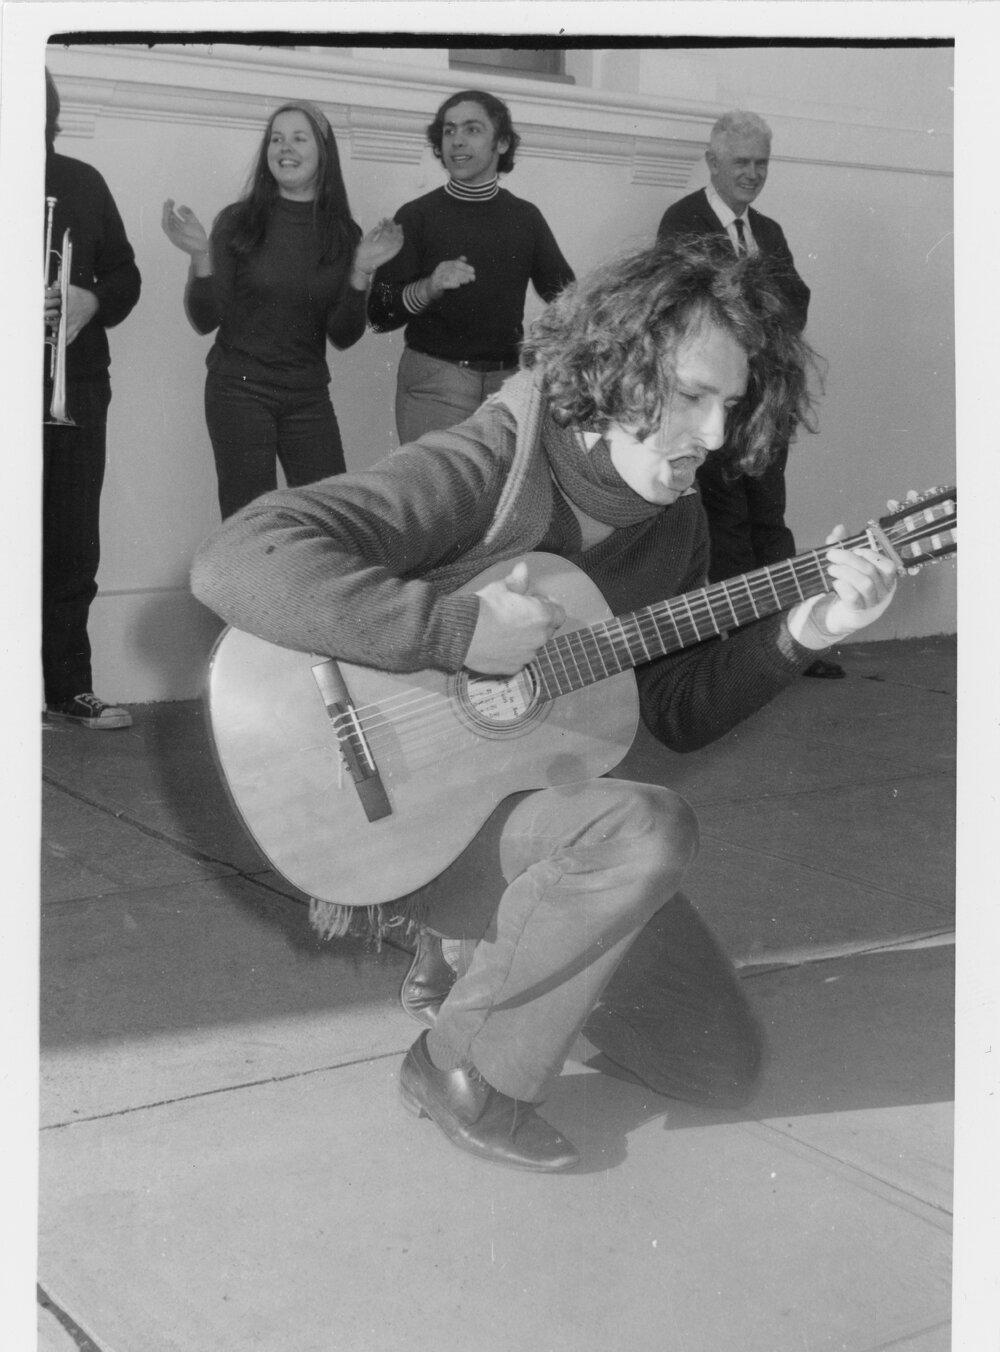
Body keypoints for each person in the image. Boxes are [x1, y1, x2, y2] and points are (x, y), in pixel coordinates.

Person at [191, 235, 897, 1173]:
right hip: (399, 820)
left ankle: (501, 968)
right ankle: (457, 1067)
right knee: (645, 828)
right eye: (691, 396)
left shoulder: (675, 524)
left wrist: (804, 630)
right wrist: (454, 634)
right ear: (615, 372)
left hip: (522, 820)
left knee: (716, 1068)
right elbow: (238, 559)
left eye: (730, 405)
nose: (717, 436)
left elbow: (674, 710)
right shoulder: (491, 459)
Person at [658, 110, 843, 680]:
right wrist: (758, 302)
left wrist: (750, 300)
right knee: (728, 524)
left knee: (770, 518)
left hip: (768, 403)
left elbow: (797, 305)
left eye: (762, 162)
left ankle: (792, 642)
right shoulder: (682, 221)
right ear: (713, 163)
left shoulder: (769, 230)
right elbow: (697, 313)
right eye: (742, 162)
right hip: (718, 404)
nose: (753, 173)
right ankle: (748, 653)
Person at [161, 100, 403, 518]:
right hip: (238, 390)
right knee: (252, 526)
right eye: (276, 139)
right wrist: (202, 257)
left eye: (298, 138)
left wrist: (361, 270)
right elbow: (205, 319)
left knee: (332, 518)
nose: (284, 148)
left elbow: (343, 336)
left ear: (322, 152)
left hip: (308, 395)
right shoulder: (237, 222)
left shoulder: (345, 235)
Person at [367, 88, 575, 443]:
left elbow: (567, 295)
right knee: (437, 497)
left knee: (496, 498)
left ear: (503, 143)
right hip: (435, 382)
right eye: (449, 131)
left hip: (507, 388)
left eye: (472, 130)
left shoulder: (525, 217)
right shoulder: (416, 216)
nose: (457, 141)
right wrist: (429, 287)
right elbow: (379, 314)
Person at [42, 69, 141, 730]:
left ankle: (67, 688)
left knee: (73, 543)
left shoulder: (81, 180)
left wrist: (91, 299)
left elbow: (127, 274)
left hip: (73, 384)